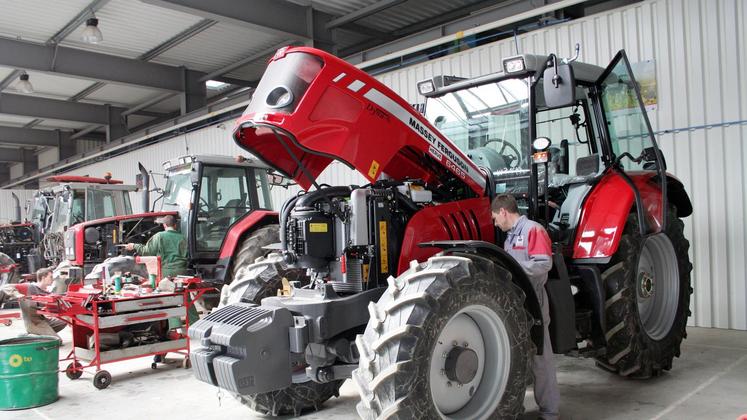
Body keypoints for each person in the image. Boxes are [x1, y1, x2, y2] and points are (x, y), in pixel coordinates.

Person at [491, 194, 560, 420]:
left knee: (541, 356)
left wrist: (512, 267)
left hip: (535, 298)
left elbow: (544, 263)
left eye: (495, 218)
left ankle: (550, 411)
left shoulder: (533, 230)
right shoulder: (510, 238)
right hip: (516, 300)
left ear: (503, 212)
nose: (495, 224)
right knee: (518, 355)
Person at [21, 268, 67, 336]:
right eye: (50, 277)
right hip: (34, 323)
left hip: (42, 320)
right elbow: (6, 287)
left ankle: (41, 333)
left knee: (64, 321)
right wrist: (17, 294)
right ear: (43, 278)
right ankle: (31, 336)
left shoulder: (45, 292)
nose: (53, 279)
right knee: (56, 341)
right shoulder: (29, 287)